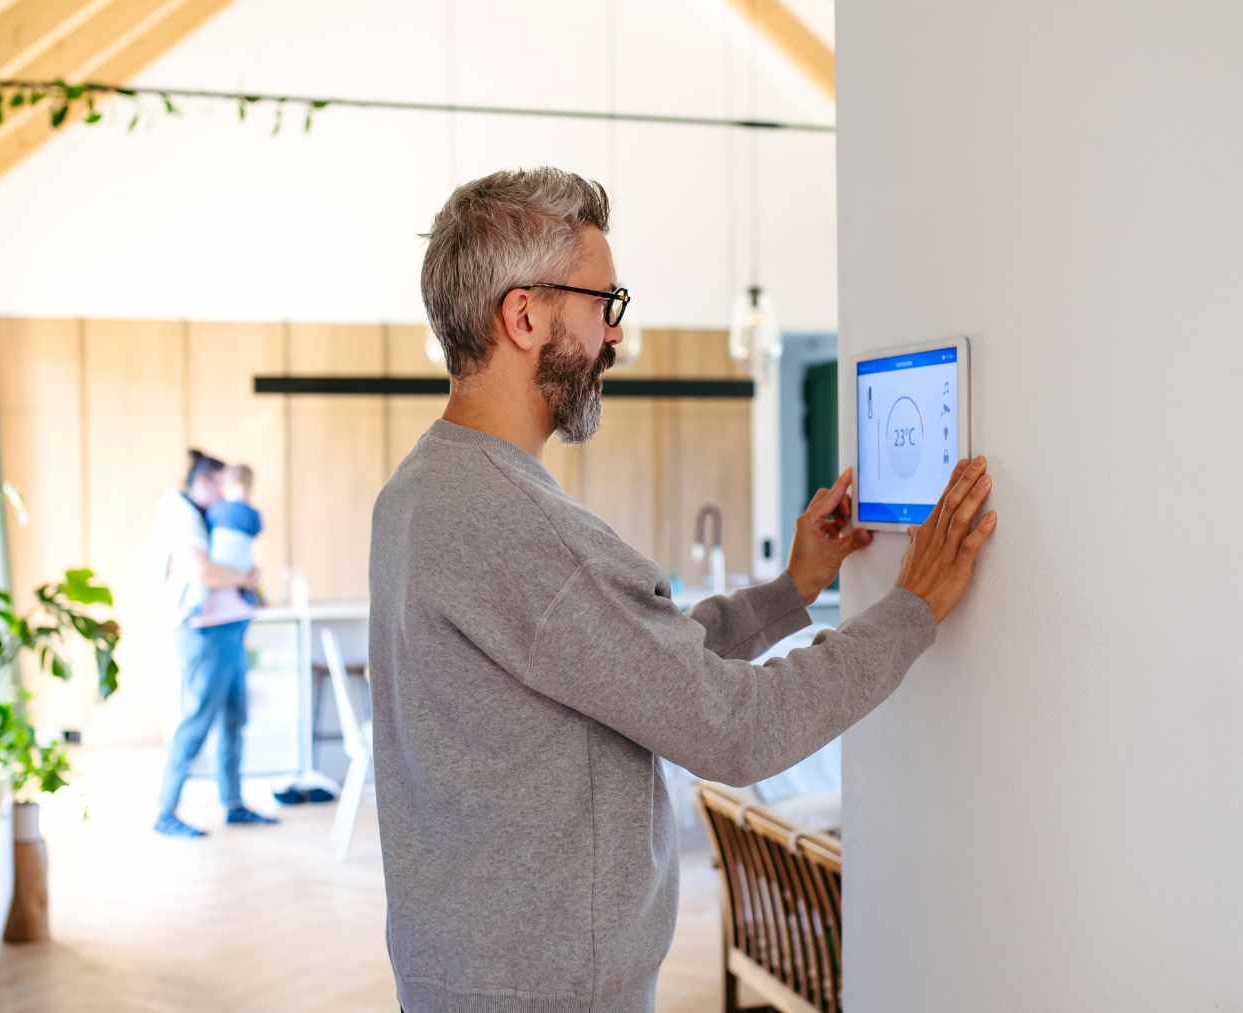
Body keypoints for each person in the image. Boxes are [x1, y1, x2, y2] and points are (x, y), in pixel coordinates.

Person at [368, 167, 999, 1012]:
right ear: (523, 316)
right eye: (605, 304)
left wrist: (792, 588)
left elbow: (625, 661)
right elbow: (736, 727)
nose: (616, 337)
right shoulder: (527, 530)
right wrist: (912, 608)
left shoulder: (420, 490)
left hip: (464, 973)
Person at [151, 449, 279, 838]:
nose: (227, 496)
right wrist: (244, 578)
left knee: (232, 720)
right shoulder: (181, 515)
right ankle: (166, 812)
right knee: (196, 721)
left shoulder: (205, 516)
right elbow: (205, 573)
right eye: (222, 486)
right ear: (205, 483)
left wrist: (243, 578)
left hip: (229, 627)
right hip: (205, 632)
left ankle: (234, 804)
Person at [191, 463, 261, 628]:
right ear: (250, 488)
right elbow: (257, 529)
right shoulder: (252, 513)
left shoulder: (217, 508)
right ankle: (251, 599)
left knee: (204, 588)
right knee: (245, 587)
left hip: (220, 561)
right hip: (242, 564)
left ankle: (196, 608)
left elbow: (208, 525)